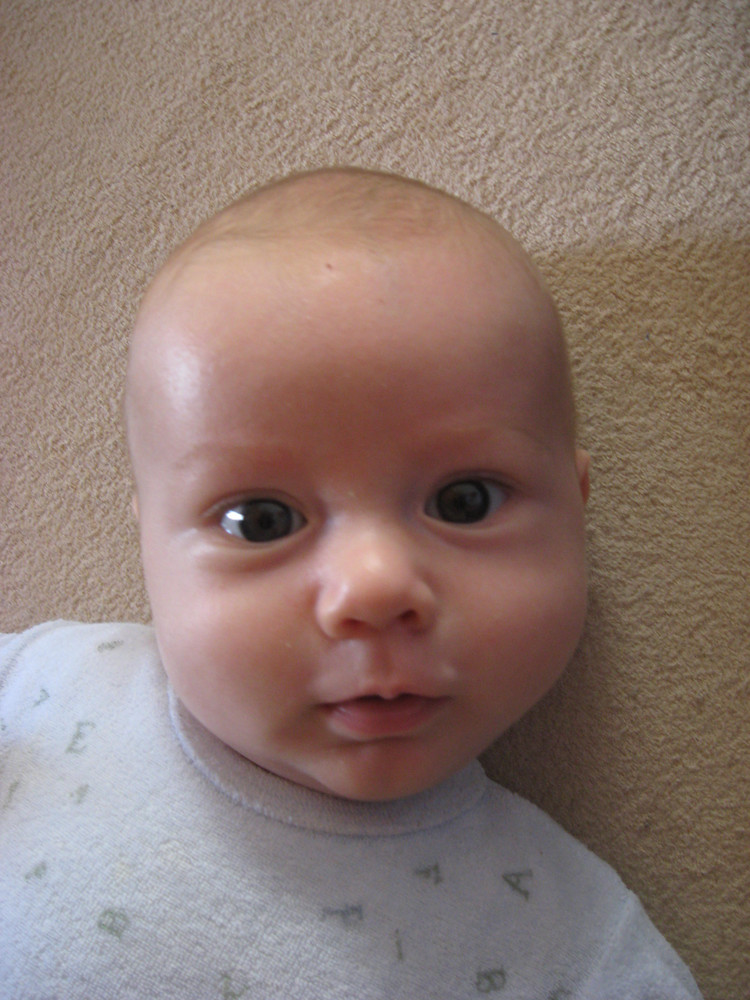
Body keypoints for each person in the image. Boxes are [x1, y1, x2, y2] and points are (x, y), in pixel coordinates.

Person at [0, 168, 702, 998]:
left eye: (465, 501)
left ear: (575, 509)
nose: (373, 589)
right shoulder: (48, 680)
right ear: (147, 542)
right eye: (261, 520)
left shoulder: (577, 942)